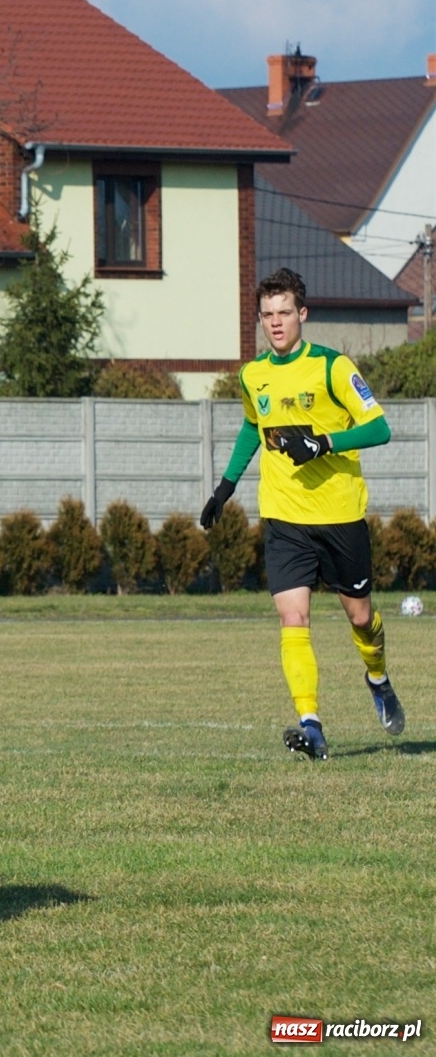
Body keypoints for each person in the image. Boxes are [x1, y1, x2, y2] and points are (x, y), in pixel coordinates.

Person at [201, 267, 403, 761]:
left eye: (284, 313)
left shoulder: (334, 368)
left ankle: (378, 678)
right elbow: (254, 426)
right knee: (293, 617)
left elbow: (380, 429)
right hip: (285, 519)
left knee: (360, 618)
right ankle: (311, 725)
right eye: (267, 314)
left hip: (339, 516)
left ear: (302, 315)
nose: (275, 322)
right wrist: (225, 487)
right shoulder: (253, 375)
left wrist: (325, 442)